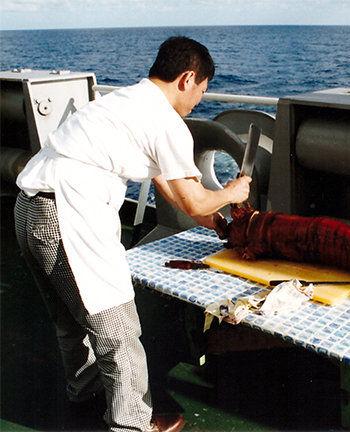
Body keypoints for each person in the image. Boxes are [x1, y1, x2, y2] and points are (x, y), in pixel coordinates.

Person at [13, 36, 251, 432]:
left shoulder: (124, 102)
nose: (199, 103)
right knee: (120, 332)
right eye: (201, 92)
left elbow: (171, 188)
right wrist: (232, 192)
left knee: (70, 319)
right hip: (67, 216)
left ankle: (85, 391)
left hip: (29, 206)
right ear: (188, 78)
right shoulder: (166, 121)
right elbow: (193, 201)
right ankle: (133, 425)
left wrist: (218, 221)